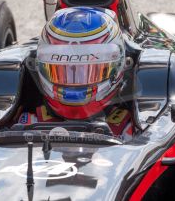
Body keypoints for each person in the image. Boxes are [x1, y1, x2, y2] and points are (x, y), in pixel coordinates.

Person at [18, 7, 133, 140]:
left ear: (119, 66)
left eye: (90, 71)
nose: (74, 84)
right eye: (61, 72)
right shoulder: (28, 122)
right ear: (39, 66)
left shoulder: (128, 128)